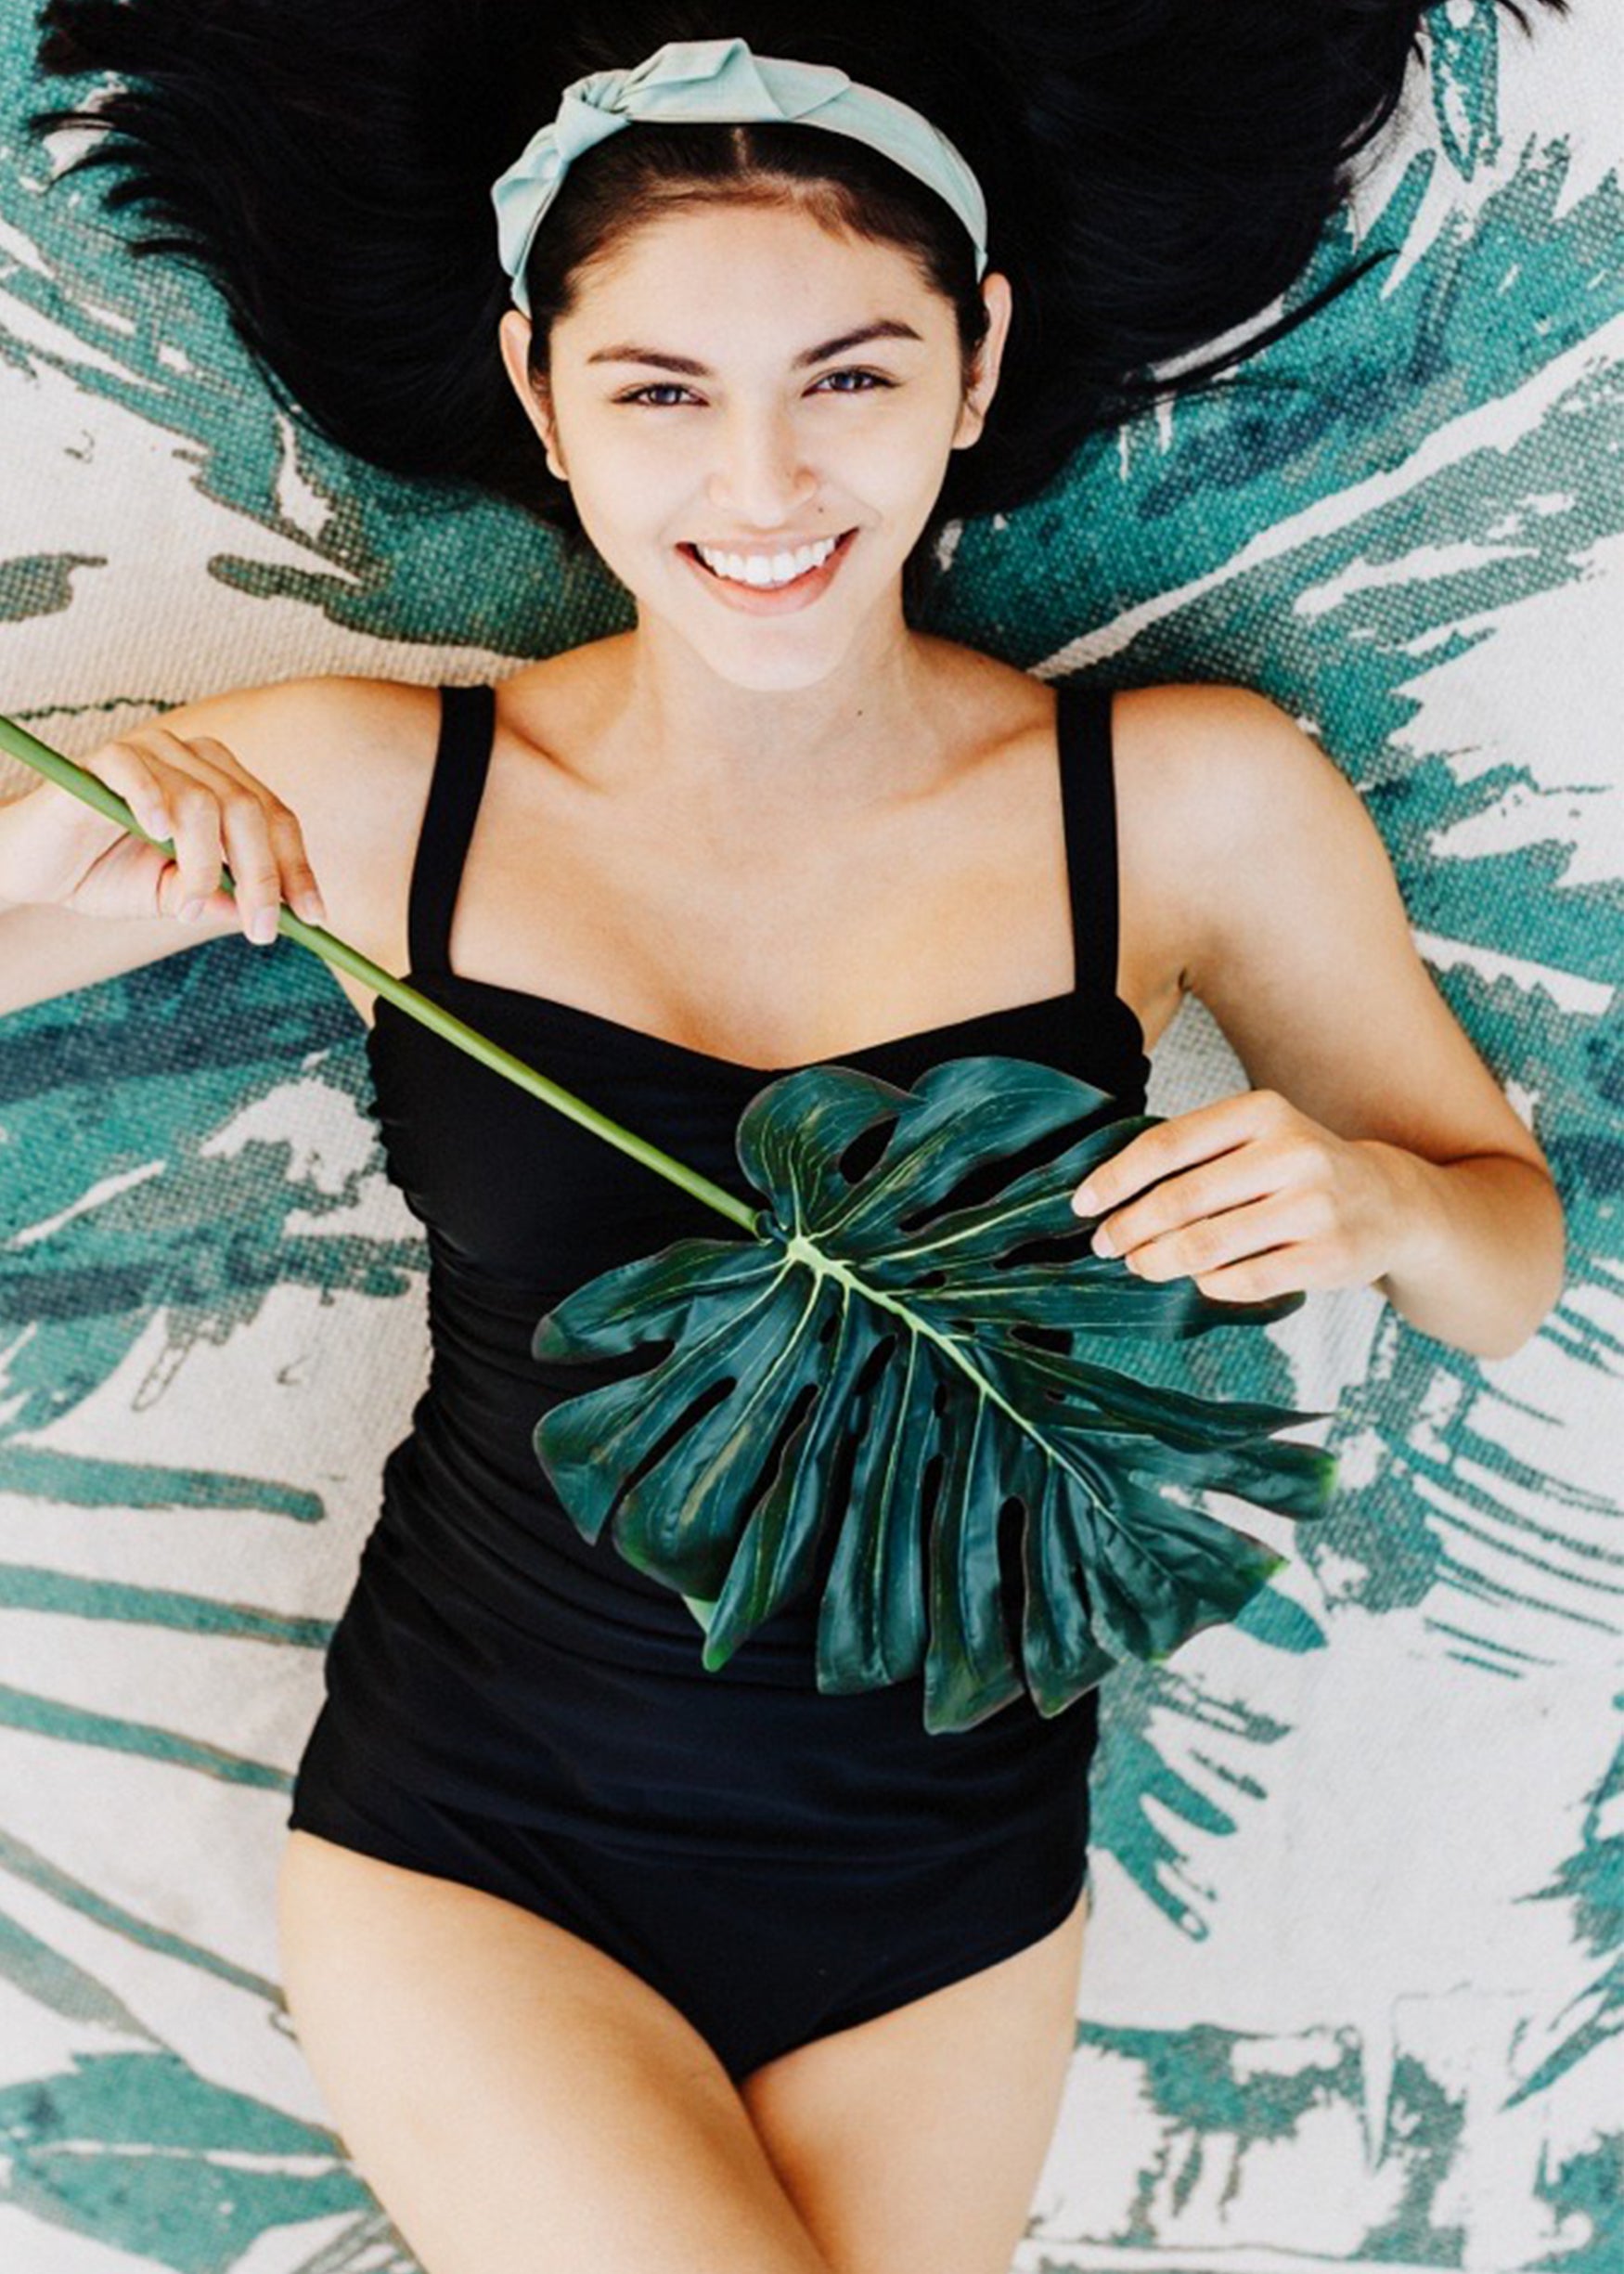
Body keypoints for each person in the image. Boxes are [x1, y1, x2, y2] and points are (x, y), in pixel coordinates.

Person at [5, 6, 1567, 2272]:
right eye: (662, 393)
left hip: (947, 1894)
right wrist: (57, 839)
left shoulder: (1182, 800)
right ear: (541, 391)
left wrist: (1382, 1196)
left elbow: (1505, 1264)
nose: (760, 486)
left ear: (973, 358)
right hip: (490, 1850)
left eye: (844, 376)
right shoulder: (374, 788)